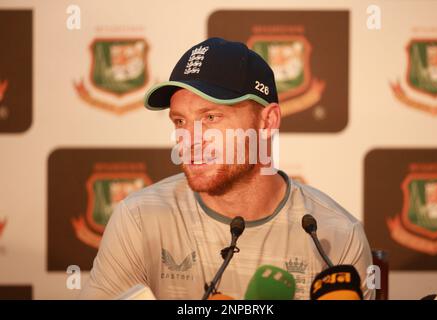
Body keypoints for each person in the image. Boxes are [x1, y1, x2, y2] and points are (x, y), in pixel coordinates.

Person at [79, 37, 375, 300]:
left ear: (267, 122)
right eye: (180, 121)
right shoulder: (139, 219)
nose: (190, 141)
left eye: (210, 118)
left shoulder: (336, 235)